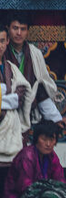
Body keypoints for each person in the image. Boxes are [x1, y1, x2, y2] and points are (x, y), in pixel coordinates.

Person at [4, 11, 63, 125]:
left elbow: (42, 85)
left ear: (28, 32)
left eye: (23, 29)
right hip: (7, 107)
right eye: (15, 28)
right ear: (8, 29)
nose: (19, 33)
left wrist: (56, 119)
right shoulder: (3, 51)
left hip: (30, 107)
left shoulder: (34, 53)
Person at [0, 25, 31, 166]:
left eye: (1, 41)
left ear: (7, 42)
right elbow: (13, 97)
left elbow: (20, 95)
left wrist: (3, 98)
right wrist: (8, 97)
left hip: (10, 129)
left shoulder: (10, 67)